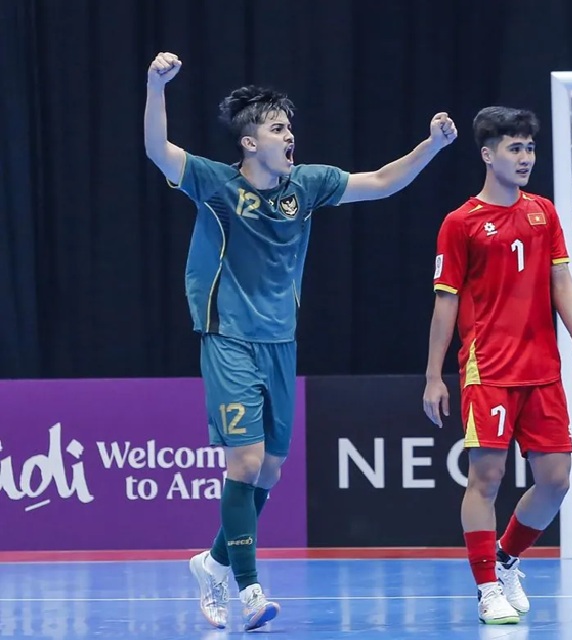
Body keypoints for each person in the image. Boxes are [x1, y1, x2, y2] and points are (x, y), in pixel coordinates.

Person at [143, 51, 457, 631]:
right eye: (278, 128)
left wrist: (432, 145)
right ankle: (249, 589)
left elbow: (384, 182)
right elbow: (158, 151)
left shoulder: (306, 186)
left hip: (280, 341)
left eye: (290, 127)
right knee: (246, 459)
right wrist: (155, 86)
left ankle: (211, 563)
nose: (291, 136)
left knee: (270, 471)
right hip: (228, 336)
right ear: (249, 143)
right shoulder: (214, 183)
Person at [422, 106, 572, 625]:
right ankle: (485, 588)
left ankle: (505, 559)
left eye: (530, 148)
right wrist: (434, 375)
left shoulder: (544, 212)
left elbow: (561, 283)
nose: (525, 158)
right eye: (514, 148)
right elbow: (446, 302)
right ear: (487, 154)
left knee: (557, 479)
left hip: (542, 367)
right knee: (488, 476)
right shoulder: (460, 223)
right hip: (488, 369)